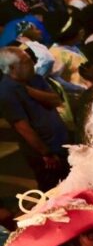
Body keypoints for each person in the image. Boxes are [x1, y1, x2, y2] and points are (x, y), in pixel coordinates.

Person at [0, 46, 69, 190]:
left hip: (62, 144)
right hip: (46, 154)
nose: (33, 63)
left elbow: (56, 100)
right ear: (12, 68)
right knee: (53, 191)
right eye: (26, 61)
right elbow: (23, 128)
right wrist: (46, 153)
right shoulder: (6, 92)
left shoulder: (35, 79)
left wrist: (29, 91)